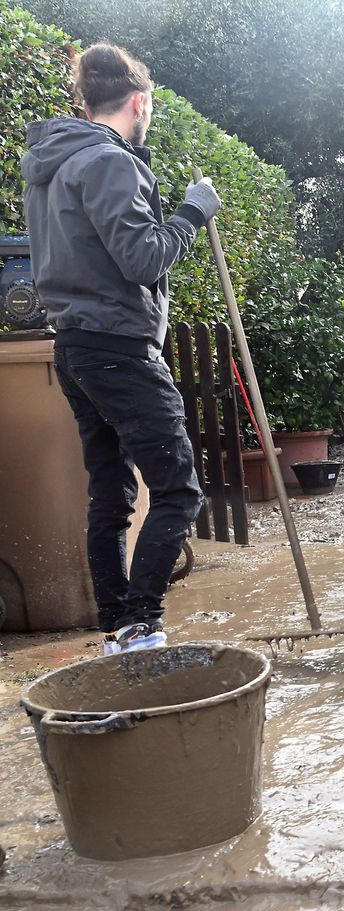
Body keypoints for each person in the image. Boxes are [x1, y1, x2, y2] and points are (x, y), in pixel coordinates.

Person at [22, 42, 221, 654]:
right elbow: (142, 258)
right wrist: (192, 213)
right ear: (140, 101)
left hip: (77, 348)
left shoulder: (54, 164)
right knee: (180, 489)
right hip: (118, 348)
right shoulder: (109, 163)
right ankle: (139, 626)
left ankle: (116, 630)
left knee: (112, 492)